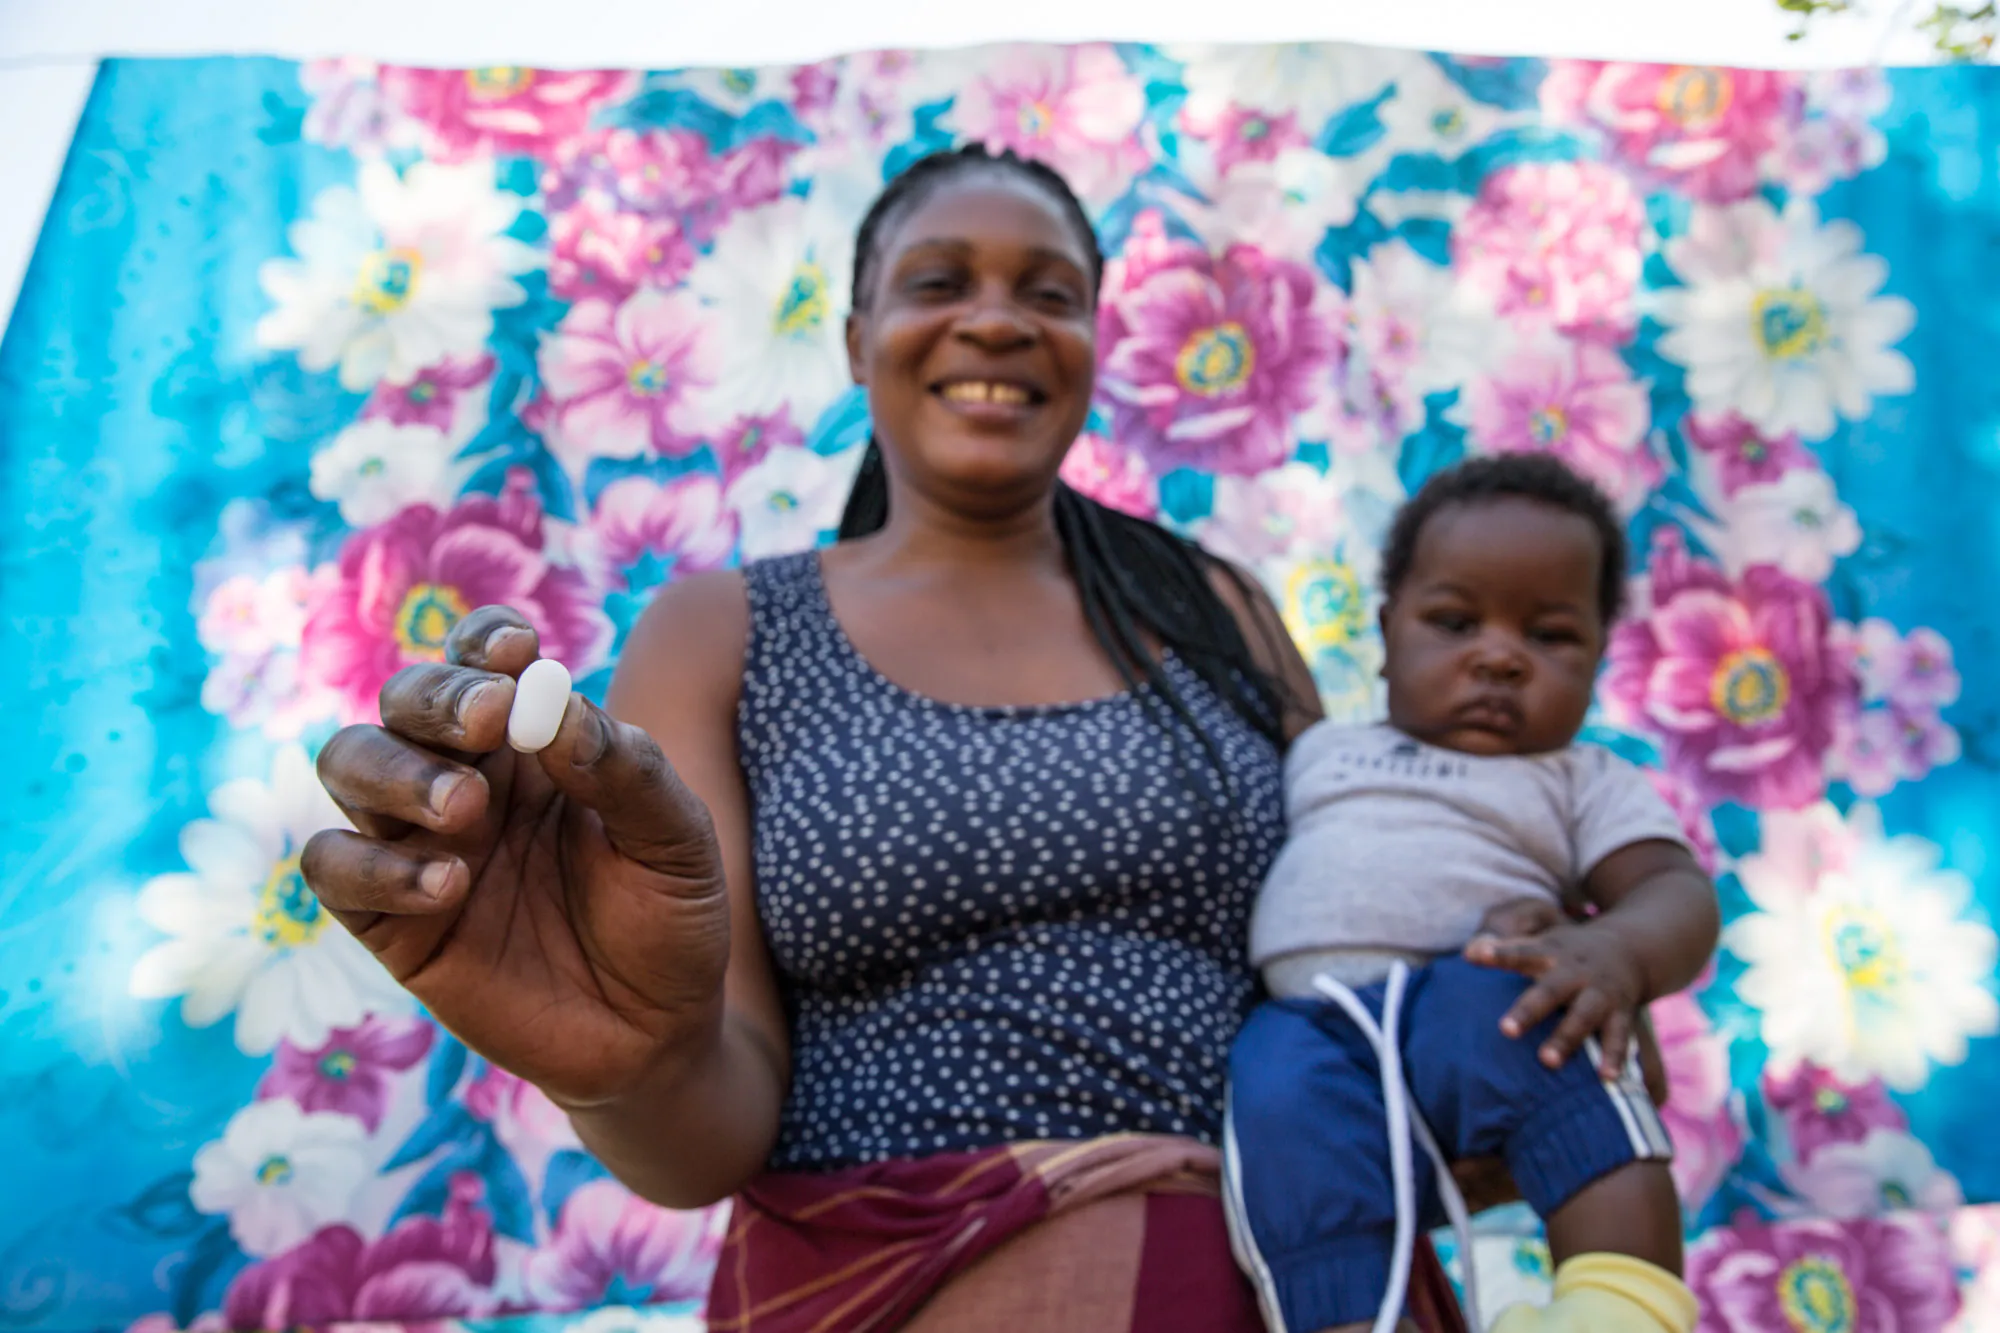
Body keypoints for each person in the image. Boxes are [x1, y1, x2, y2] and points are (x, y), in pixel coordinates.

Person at [298, 146, 1616, 1331]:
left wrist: (1539, 990)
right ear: (860, 330)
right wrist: (630, 1062)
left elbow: (1358, 923)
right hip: (880, 1282)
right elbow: (707, 1130)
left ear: (1095, 343)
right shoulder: (725, 631)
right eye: (940, 280)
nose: (997, 316)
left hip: (1286, 1276)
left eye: (1050, 292)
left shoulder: (1213, 610)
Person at [1222, 455, 1722, 1333]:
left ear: (1599, 659)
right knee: (1271, 1102)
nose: (1498, 655)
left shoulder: (1579, 780)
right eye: (1455, 622)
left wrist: (1616, 951)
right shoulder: (1320, 754)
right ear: (1386, 635)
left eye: (1549, 636)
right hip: (1313, 1024)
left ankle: (1615, 1306)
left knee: (1554, 1036)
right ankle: (1354, 1318)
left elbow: (1673, 889)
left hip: (1476, 988)